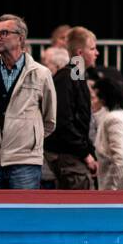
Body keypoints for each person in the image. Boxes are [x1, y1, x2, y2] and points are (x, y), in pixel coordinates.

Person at [0, 14, 55, 189]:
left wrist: (30, 140)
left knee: (24, 215)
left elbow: (49, 120)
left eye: (4, 33)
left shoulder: (41, 74)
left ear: (20, 38)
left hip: (25, 161)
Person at [45, 26, 99, 189]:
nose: (97, 53)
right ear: (80, 54)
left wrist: (89, 153)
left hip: (72, 152)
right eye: (92, 48)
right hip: (66, 154)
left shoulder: (77, 76)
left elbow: (79, 122)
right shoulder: (66, 78)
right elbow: (63, 122)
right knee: (82, 200)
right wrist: (85, 154)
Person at [91, 75, 123, 189]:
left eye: (93, 98)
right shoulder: (114, 117)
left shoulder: (114, 119)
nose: (91, 102)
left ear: (103, 100)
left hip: (121, 190)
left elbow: (121, 158)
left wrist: (109, 189)